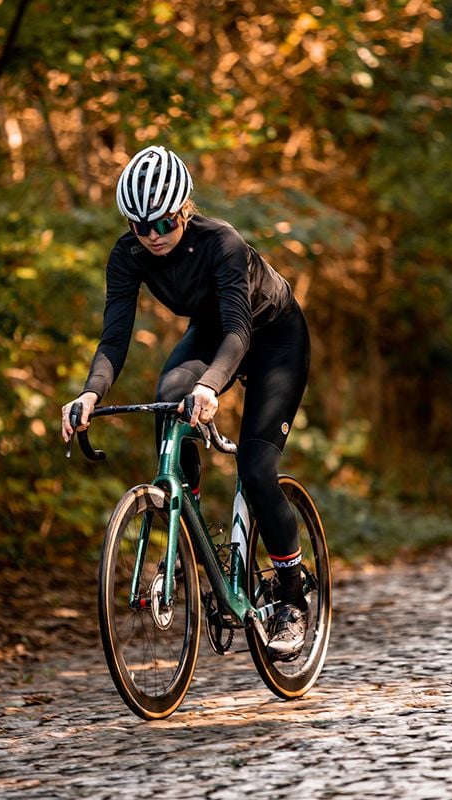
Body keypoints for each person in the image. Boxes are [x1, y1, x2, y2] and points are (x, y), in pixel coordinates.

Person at [61, 145, 312, 660]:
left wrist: (212, 386)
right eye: (140, 226)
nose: (152, 235)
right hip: (211, 331)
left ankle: (292, 592)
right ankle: (183, 513)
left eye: (163, 223)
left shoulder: (221, 242)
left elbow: (240, 330)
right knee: (167, 398)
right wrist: (90, 392)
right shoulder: (127, 256)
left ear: (185, 210)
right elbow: (114, 339)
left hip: (271, 338)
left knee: (256, 467)